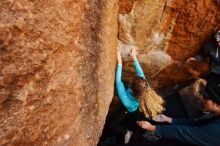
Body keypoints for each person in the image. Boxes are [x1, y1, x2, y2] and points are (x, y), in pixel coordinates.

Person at [110, 48, 164, 144]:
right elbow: (140, 73)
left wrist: (119, 62)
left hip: (128, 109)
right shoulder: (144, 86)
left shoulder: (126, 100)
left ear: (131, 88)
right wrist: (134, 57)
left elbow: (118, 81)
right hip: (135, 104)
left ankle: (127, 133)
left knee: (112, 124)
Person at [187, 29, 220, 102]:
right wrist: (195, 58)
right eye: (218, 41)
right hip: (216, 70)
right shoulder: (209, 46)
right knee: (210, 89)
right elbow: (202, 54)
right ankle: (210, 107)